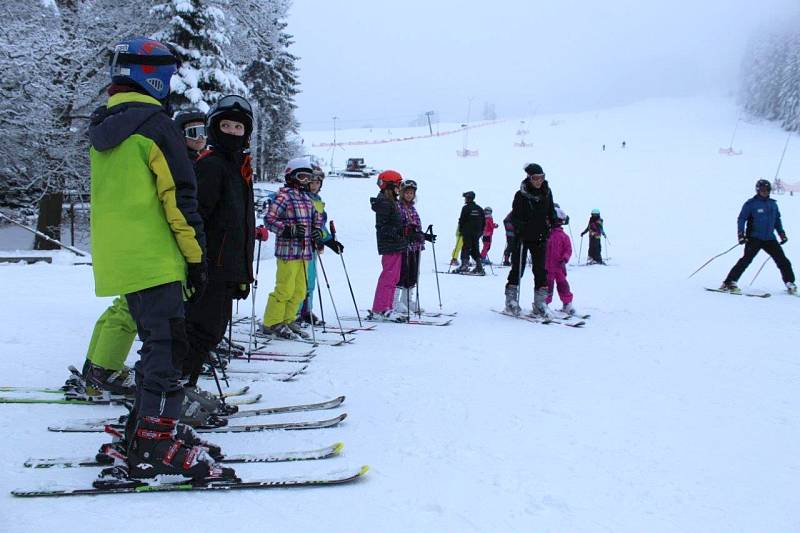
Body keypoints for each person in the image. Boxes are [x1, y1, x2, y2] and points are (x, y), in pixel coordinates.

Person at [89, 36, 233, 483]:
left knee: (157, 346)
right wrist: (196, 258)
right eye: (167, 76)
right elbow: (179, 197)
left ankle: (145, 427)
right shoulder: (155, 125)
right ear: (150, 76)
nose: (170, 85)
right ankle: (154, 442)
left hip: (123, 258)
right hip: (157, 257)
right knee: (168, 348)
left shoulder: (107, 126)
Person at [182, 95, 255, 389]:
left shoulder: (239, 167)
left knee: (210, 331)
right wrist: (198, 264)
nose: (232, 132)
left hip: (228, 267)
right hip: (210, 266)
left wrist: (241, 273)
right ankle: (174, 390)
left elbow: (239, 224)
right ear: (214, 128)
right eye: (226, 125)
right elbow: (197, 216)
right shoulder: (211, 166)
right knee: (200, 331)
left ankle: (183, 387)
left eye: (238, 127)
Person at [262, 157, 324, 338]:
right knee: (285, 288)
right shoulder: (284, 196)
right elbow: (269, 219)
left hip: (305, 252)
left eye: (308, 177)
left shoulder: (307, 198)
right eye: (302, 177)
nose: (306, 181)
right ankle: (272, 322)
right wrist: (288, 229)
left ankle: (289, 319)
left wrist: (317, 233)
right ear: (291, 176)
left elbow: (317, 218)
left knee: (300, 290)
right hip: (288, 252)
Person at [721, 179, 796, 294]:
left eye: (767, 190)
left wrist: (782, 234)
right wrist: (741, 235)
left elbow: (777, 220)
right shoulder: (751, 204)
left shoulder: (773, 204)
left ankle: (790, 283)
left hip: (770, 239)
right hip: (754, 238)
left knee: (783, 261)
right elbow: (741, 219)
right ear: (757, 190)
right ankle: (729, 282)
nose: (765, 192)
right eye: (762, 190)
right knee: (746, 260)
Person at [504, 163, 557, 317]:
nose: (539, 181)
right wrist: (521, 228)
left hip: (540, 236)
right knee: (517, 268)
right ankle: (511, 300)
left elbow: (550, 210)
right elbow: (515, 216)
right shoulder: (520, 195)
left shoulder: (547, 193)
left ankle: (540, 303)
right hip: (523, 237)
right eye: (535, 178)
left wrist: (552, 220)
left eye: (541, 177)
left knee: (540, 270)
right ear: (529, 178)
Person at [297, 170, 344, 325]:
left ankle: (306, 311)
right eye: (312, 182)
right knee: (300, 280)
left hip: (314, 245)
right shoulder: (302, 199)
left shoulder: (318, 200)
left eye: (317, 183)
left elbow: (320, 225)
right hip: (301, 245)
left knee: (310, 280)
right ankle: (295, 312)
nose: (314, 186)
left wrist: (330, 241)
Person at [369, 170, 407, 320]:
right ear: (389, 186)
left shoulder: (391, 202)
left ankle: (387, 306)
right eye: (398, 185)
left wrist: (406, 232)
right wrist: (400, 233)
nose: (400, 188)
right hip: (390, 244)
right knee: (389, 276)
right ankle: (381, 308)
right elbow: (383, 227)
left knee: (394, 277)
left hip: (396, 244)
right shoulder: (384, 203)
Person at [394, 179, 435, 314]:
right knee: (403, 273)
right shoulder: (398, 206)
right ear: (402, 193)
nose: (409, 195)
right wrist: (411, 234)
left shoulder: (412, 208)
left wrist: (424, 236)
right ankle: (395, 302)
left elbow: (415, 227)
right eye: (407, 193)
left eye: (412, 193)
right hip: (405, 246)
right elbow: (402, 226)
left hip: (415, 246)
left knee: (413, 273)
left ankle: (407, 301)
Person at [545, 207, 577, 315]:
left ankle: (567, 304)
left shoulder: (563, 236)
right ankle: (544, 304)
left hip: (559, 267)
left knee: (563, 285)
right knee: (547, 287)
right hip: (547, 267)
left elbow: (568, 249)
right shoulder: (546, 235)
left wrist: (565, 259)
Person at [455, 191, 485, 274]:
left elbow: (462, 220)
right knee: (475, 249)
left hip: (467, 232)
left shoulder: (465, 208)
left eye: (465, 198)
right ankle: (479, 267)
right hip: (477, 233)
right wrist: (481, 231)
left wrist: (460, 230)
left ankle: (464, 265)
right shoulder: (480, 208)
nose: (465, 199)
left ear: (468, 198)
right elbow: (484, 221)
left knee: (466, 248)